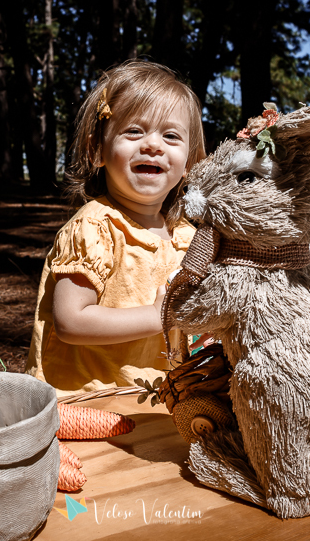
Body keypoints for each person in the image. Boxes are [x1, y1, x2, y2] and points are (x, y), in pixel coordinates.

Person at [26, 61, 207, 395]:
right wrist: (157, 316)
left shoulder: (188, 237)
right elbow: (71, 320)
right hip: (85, 402)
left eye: (170, 136)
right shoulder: (94, 228)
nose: (153, 144)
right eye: (134, 131)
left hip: (157, 402)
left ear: (189, 164)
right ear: (98, 151)